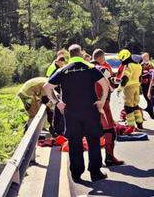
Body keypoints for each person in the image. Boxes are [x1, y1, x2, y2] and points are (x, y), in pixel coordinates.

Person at [43, 44, 108, 182]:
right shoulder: (90, 68)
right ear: (80, 53)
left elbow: (47, 87)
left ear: (70, 55)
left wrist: (57, 102)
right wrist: (101, 101)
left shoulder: (63, 71)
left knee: (74, 142)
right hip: (90, 111)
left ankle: (76, 174)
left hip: (71, 113)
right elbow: (105, 84)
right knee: (93, 141)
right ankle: (95, 172)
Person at [92, 49, 124, 166]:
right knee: (110, 131)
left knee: (92, 134)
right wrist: (119, 82)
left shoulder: (85, 68)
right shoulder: (103, 69)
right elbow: (112, 85)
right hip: (102, 104)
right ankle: (109, 158)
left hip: (87, 106)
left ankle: (94, 162)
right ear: (101, 58)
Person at [116, 49, 144, 131]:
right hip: (136, 87)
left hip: (129, 88)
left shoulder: (128, 66)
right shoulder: (139, 66)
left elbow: (125, 79)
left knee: (128, 107)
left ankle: (130, 125)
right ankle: (140, 123)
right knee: (135, 106)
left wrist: (119, 89)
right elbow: (139, 78)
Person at [46, 53, 67, 137]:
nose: (62, 64)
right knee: (59, 111)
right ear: (58, 61)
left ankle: (57, 129)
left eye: (63, 62)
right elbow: (50, 82)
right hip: (56, 93)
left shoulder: (56, 68)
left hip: (56, 92)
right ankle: (58, 130)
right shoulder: (55, 69)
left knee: (58, 111)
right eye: (61, 62)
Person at [141, 52, 154, 119]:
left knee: (151, 99)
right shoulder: (141, 65)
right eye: (144, 57)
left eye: (147, 57)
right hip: (144, 84)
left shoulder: (151, 65)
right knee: (147, 98)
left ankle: (150, 112)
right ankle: (149, 109)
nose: (146, 58)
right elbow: (139, 75)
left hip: (151, 84)